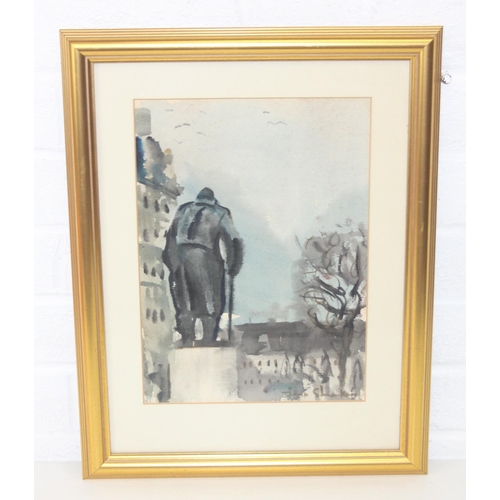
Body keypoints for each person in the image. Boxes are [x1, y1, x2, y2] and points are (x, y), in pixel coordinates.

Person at [162, 188, 244, 346]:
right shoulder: (220, 212)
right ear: (213, 200)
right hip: (205, 259)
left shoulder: (183, 209)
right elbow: (233, 241)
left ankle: (187, 339)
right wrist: (234, 265)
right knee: (209, 300)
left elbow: (170, 237)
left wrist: (172, 263)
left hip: (179, 257)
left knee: (184, 302)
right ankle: (207, 340)